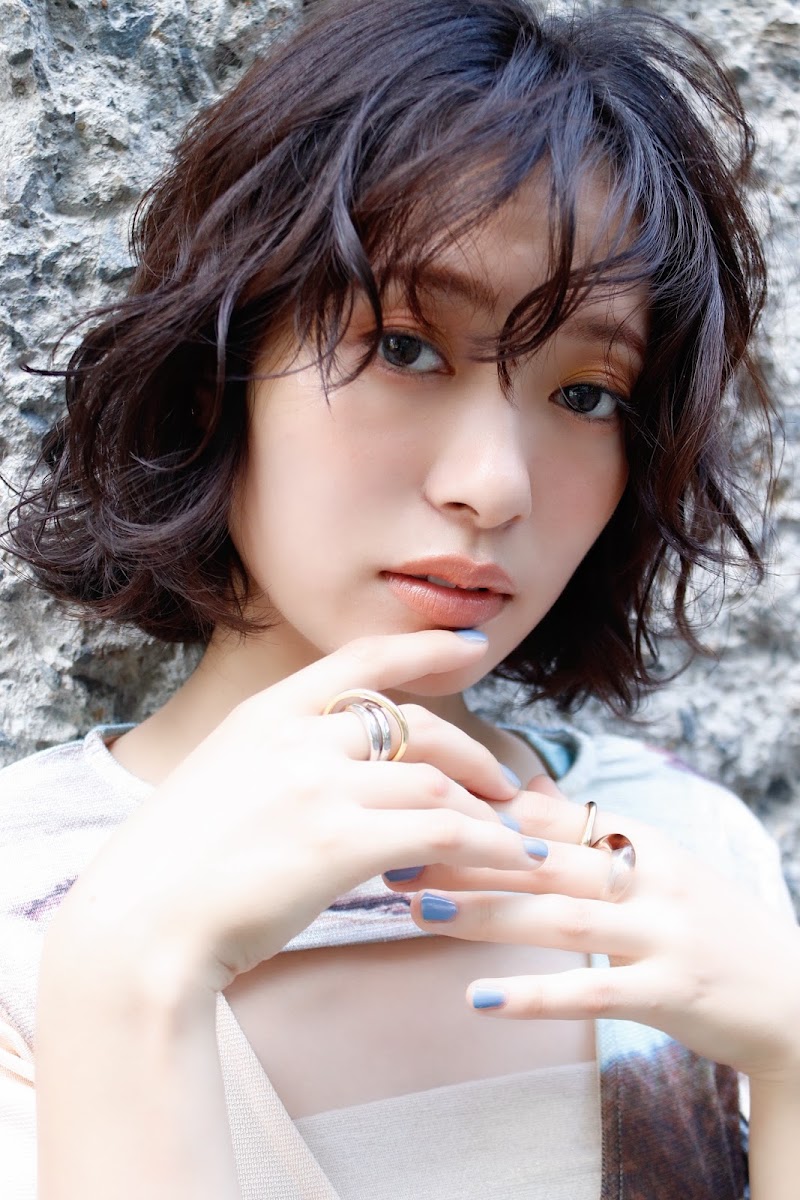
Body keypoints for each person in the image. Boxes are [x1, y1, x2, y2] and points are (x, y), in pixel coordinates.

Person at [1, 0, 798, 1196]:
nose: (493, 485)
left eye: (586, 395)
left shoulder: (682, 848)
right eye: (405, 348)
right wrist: (130, 974)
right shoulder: (25, 896)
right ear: (219, 365)